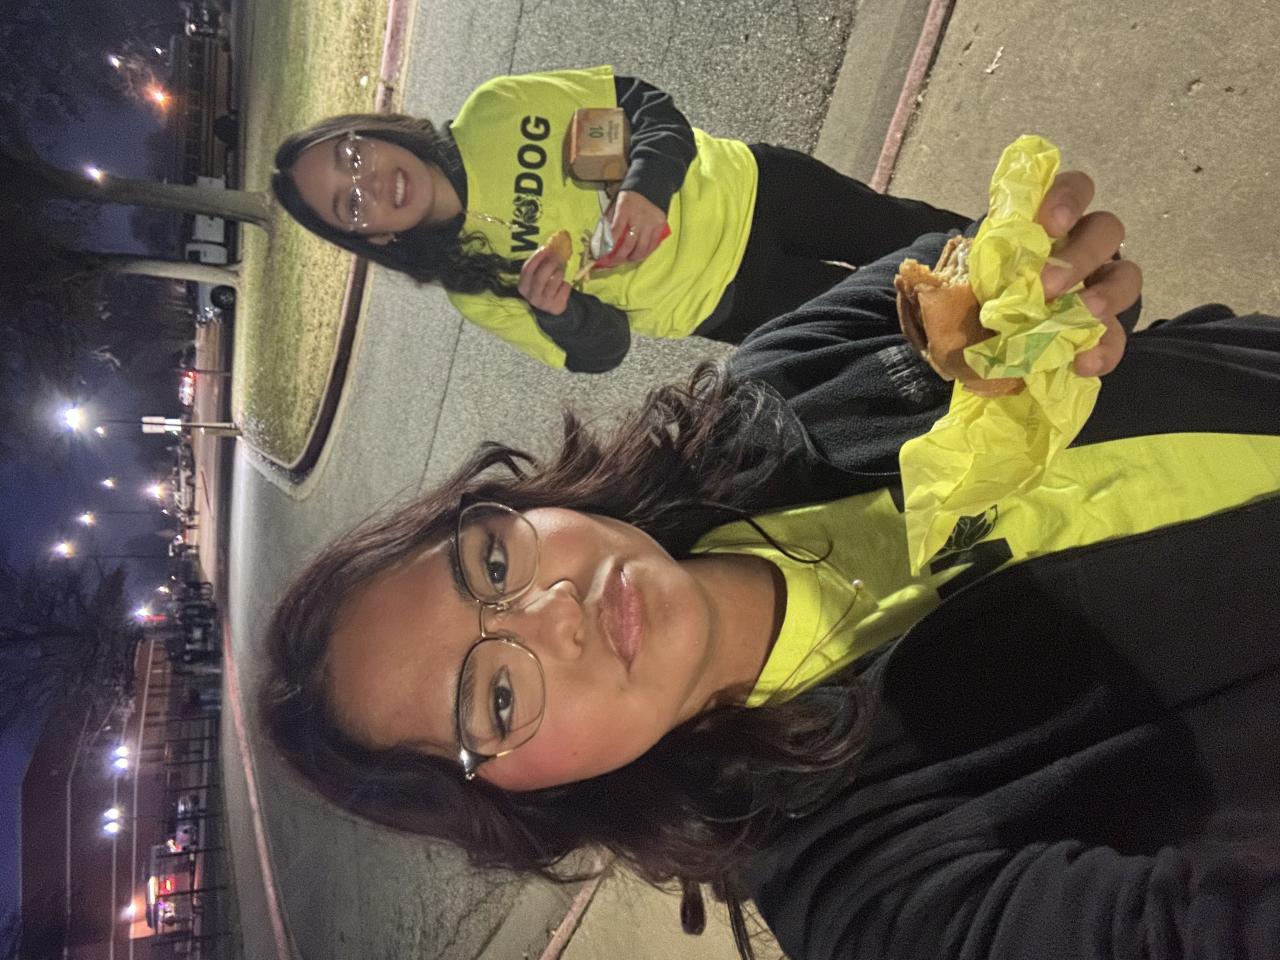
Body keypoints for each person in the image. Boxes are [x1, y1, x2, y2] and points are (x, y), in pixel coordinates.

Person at [259, 171, 1280, 959]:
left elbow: (963, 265)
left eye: (489, 565)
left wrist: (1049, 289)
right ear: (519, 800)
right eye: (492, 697)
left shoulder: (774, 388)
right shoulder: (868, 885)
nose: (553, 610)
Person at [271, 65, 968, 372]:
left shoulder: (495, 110)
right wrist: (561, 311)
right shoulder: (474, 287)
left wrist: (645, 189)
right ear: (374, 236)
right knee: (903, 329)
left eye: (351, 154)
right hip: (729, 301)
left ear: (370, 132)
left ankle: (1025, 255)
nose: (369, 181)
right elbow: (602, 352)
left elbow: (645, 109)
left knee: (925, 237)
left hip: (757, 191)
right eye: (349, 203)